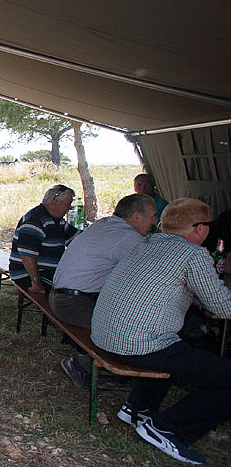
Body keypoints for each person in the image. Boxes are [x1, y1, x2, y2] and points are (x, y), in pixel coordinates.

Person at [91, 198, 231, 465]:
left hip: (105, 335)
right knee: (222, 375)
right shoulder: (194, 254)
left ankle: (137, 408)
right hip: (136, 344)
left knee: (176, 341)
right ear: (200, 228)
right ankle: (167, 429)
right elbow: (221, 306)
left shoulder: (149, 243)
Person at [52, 194, 156, 388]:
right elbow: (151, 275)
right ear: (136, 217)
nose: (155, 222)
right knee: (127, 332)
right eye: (152, 216)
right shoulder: (128, 236)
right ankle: (80, 365)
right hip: (73, 303)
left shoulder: (103, 224)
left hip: (62, 296)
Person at [9, 184, 80, 294]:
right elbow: (27, 256)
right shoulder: (34, 221)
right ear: (55, 202)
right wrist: (36, 282)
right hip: (28, 276)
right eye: (68, 204)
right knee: (75, 290)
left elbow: (79, 239)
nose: (70, 208)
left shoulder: (57, 221)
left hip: (47, 272)